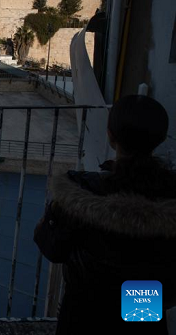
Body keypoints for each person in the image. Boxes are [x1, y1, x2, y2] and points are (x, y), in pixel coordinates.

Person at [34, 95, 176, 334]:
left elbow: (52, 248)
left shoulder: (81, 192)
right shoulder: (169, 197)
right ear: (160, 139)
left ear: (111, 136)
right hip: (142, 312)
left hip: (85, 312)